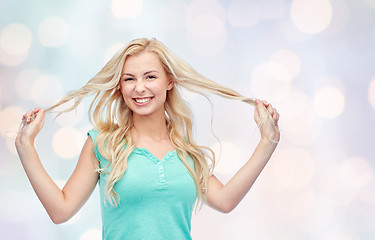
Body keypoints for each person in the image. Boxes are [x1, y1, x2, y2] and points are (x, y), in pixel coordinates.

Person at [15, 38, 280, 240]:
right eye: (129, 79)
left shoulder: (187, 153)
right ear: (120, 87)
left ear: (169, 82)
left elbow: (225, 201)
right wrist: (25, 147)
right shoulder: (104, 144)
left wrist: (267, 142)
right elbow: (61, 210)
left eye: (150, 77)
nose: (139, 87)